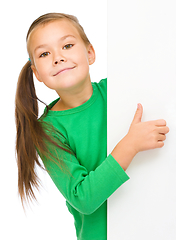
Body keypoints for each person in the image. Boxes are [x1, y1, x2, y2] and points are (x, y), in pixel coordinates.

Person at [15, 13, 169, 240]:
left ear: (90, 53)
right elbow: (83, 199)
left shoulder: (119, 90)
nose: (58, 57)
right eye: (45, 53)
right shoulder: (47, 130)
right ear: (36, 72)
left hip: (153, 227)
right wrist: (130, 145)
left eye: (67, 45)